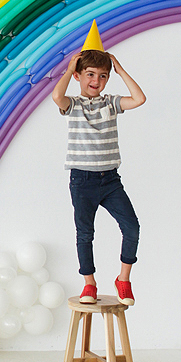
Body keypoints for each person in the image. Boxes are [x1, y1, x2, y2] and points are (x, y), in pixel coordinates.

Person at [51, 47, 146, 305]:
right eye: (90, 74)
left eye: (103, 76)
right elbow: (57, 96)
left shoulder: (111, 102)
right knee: (85, 233)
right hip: (82, 180)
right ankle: (89, 283)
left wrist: (120, 69)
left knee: (131, 227)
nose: (96, 81)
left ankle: (123, 280)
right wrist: (70, 69)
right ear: (79, 76)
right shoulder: (74, 105)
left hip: (110, 180)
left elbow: (139, 99)